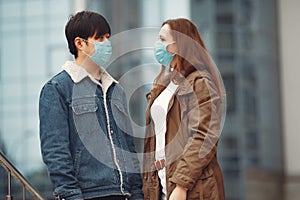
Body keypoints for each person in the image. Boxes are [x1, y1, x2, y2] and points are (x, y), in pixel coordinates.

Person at [39, 11, 143, 200]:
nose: (107, 43)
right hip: (88, 195)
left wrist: (137, 193)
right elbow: (55, 153)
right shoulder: (58, 89)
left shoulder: (116, 89)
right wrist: (71, 195)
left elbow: (128, 149)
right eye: (99, 38)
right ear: (79, 43)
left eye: (108, 37)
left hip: (124, 194)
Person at [142, 18, 226, 200]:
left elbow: (203, 136)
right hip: (163, 188)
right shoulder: (166, 84)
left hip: (191, 189)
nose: (158, 45)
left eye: (163, 40)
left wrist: (181, 185)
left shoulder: (200, 82)